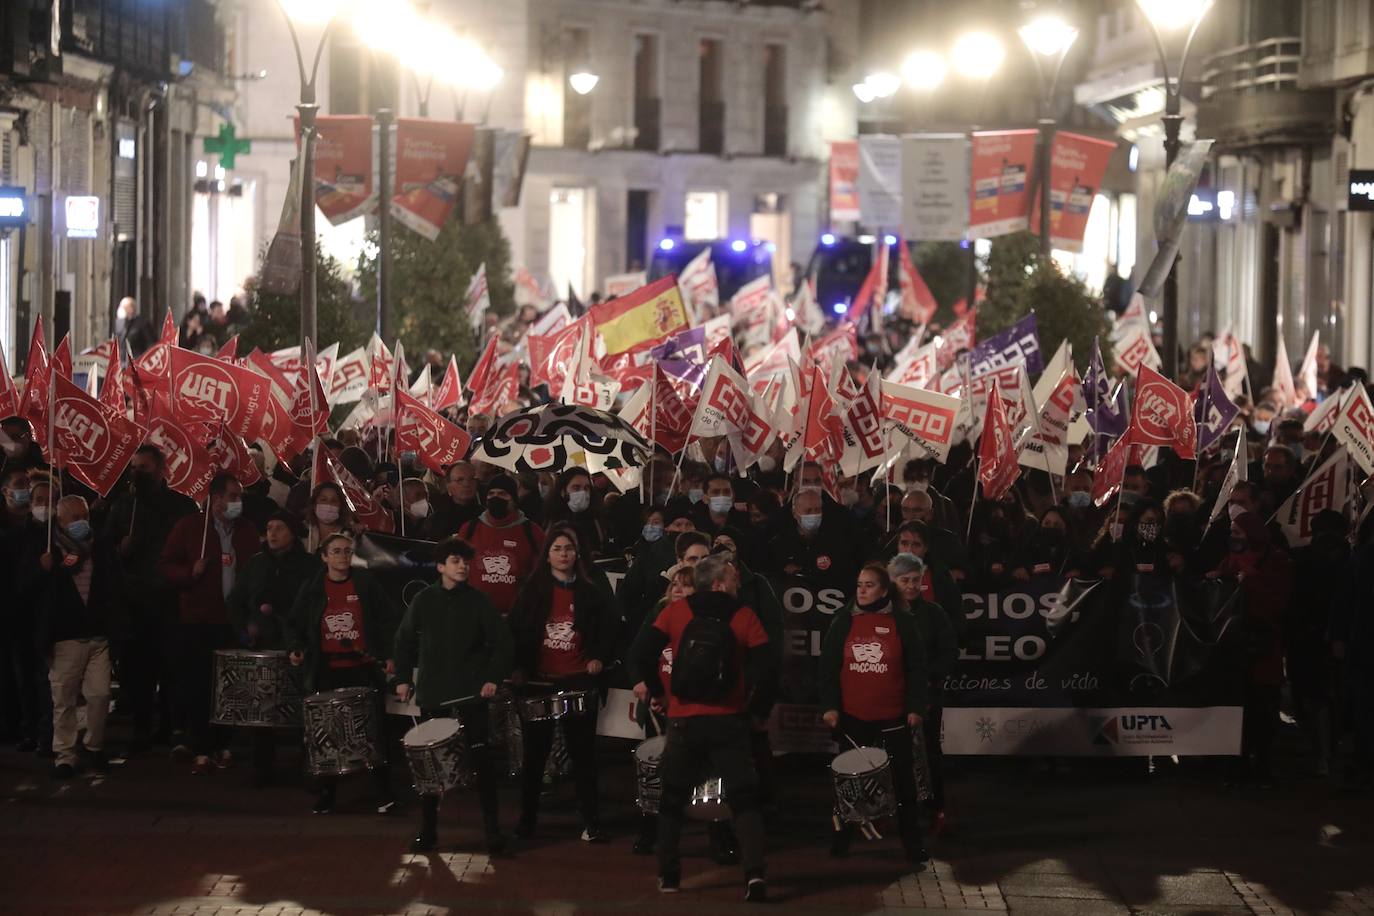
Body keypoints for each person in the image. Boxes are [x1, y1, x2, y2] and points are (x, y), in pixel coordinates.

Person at [630, 553, 776, 902]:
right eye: (733, 576)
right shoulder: (744, 616)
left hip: (684, 719)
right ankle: (754, 876)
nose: (738, 581)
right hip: (729, 719)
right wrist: (757, 710)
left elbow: (641, 654)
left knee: (672, 799)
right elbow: (770, 667)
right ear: (719, 582)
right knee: (743, 799)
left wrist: (659, 692)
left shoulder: (677, 612)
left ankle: (669, 875)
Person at [393, 537, 515, 855]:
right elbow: (403, 641)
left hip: (471, 696)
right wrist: (403, 679)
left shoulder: (479, 601)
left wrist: (492, 678)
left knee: (483, 763)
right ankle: (429, 831)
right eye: (455, 560)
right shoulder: (424, 600)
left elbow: (503, 644)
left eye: (465, 561)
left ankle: (492, 830)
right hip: (434, 695)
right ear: (441, 566)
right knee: (430, 766)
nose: (462, 566)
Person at [508, 525, 619, 841]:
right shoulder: (531, 591)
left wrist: (598, 657)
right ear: (547, 555)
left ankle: (591, 820)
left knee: (583, 754)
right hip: (539, 682)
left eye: (568, 549)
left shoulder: (590, 592)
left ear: (577, 554)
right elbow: (515, 632)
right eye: (556, 549)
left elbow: (608, 631)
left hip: (577, 681)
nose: (563, 554)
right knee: (535, 755)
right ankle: (527, 820)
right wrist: (518, 668)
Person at [818, 562, 930, 866]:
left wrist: (916, 707)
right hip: (854, 716)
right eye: (859, 585)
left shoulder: (902, 622)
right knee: (847, 781)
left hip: (894, 715)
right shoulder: (843, 620)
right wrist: (829, 706)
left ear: (884, 589)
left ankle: (912, 842)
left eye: (869, 585)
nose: (862, 590)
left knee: (904, 783)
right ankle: (842, 837)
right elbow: (827, 668)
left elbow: (918, 669)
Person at [288, 532, 400, 814]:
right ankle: (328, 794)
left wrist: (388, 654)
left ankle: (385, 793)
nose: (342, 556)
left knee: (371, 732)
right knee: (328, 733)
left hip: (361, 668)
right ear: (324, 556)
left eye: (347, 551)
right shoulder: (313, 587)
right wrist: (296, 647)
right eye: (336, 551)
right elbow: (294, 623)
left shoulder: (365, 583)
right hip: (327, 670)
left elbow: (388, 618)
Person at [157, 473, 261, 774]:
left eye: (239, 496)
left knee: (230, 688)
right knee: (199, 685)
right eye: (232, 496)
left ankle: (223, 744)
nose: (237, 502)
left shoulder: (246, 530)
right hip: (198, 619)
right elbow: (165, 565)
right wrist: (190, 572)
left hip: (233, 621)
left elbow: (255, 572)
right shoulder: (191, 528)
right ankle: (201, 746)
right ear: (216, 500)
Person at [101, 445, 196, 753]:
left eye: (144, 467)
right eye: (134, 467)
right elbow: (104, 552)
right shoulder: (123, 506)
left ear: (161, 469)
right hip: (134, 602)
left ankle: (171, 726)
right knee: (137, 670)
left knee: (172, 668)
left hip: (170, 599)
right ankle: (141, 727)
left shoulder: (181, 506)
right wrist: (121, 551)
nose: (137, 473)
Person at [226, 510, 320, 786]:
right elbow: (236, 600)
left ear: (292, 532)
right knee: (262, 708)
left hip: (299, 645)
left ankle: (309, 763)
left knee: (303, 706)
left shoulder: (309, 565)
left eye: (279, 527)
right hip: (263, 644)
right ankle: (262, 766)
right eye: (269, 527)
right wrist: (243, 631)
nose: (273, 533)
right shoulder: (256, 564)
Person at [1209, 510, 1292, 787]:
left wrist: (1251, 582)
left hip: (1263, 646)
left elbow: (1279, 599)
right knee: (1239, 707)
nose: (1232, 537)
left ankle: (1263, 764)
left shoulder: (1275, 559)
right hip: (1237, 647)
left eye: (1238, 532)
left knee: (1263, 708)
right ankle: (1238, 764)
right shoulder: (1232, 559)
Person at [34, 495, 116, 778]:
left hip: (97, 636)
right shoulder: (50, 552)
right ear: (60, 522)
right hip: (65, 637)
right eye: (74, 518)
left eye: (84, 516)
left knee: (100, 694)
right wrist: (42, 571)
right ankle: (65, 755)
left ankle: (94, 747)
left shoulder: (99, 548)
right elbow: (29, 591)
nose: (81, 523)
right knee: (64, 699)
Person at [888, 552, 958, 835]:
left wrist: (926, 677)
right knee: (889, 752)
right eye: (905, 580)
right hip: (890, 695)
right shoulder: (884, 613)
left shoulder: (934, 614)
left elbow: (949, 653)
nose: (911, 586)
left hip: (926, 694)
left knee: (929, 752)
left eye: (916, 580)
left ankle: (934, 807)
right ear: (892, 581)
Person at [457, 473, 545, 617]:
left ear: (514, 499)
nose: (495, 498)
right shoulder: (469, 529)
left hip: (517, 619)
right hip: (475, 617)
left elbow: (541, 575)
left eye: (502, 494)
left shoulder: (532, 532)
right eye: (491, 493)